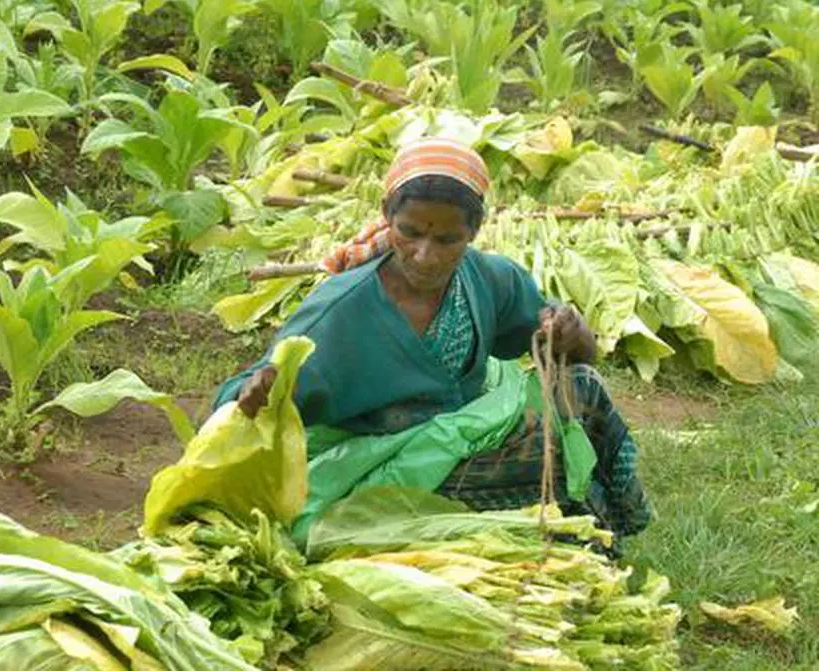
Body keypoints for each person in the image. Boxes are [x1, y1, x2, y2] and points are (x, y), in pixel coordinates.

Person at [213, 137, 651, 542]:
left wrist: (573, 331)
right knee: (544, 458)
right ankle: (574, 539)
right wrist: (253, 397)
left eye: (447, 239)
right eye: (410, 233)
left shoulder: (487, 279)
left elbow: (574, 352)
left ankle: (618, 528)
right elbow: (238, 405)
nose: (426, 255)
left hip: (461, 436)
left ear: (475, 229)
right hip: (381, 468)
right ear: (387, 215)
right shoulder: (342, 312)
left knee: (582, 390)